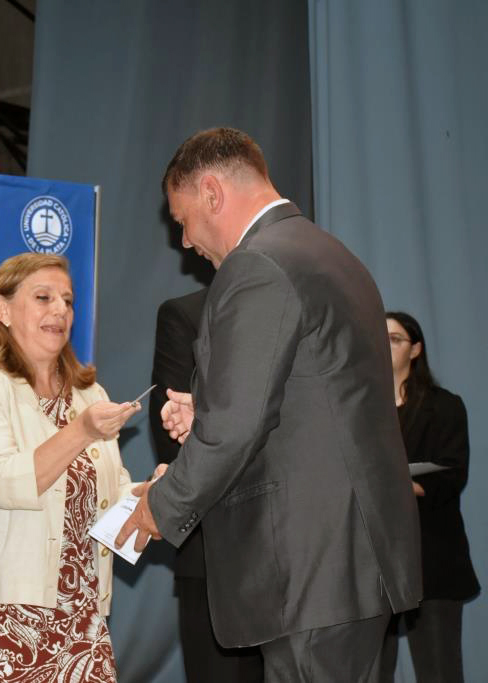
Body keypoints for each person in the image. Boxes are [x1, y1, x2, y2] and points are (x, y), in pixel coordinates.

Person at [117, 127, 422, 682]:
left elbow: (236, 429)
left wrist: (161, 505)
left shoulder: (257, 264)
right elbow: (314, 402)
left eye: (183, 220)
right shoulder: (330, 254)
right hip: (350, 562)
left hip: (312, 569)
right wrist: (207, 412)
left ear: (212, 193)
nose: (184, 241)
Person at [0, 252, 139, 682]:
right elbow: (2, 482)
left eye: (68, 300)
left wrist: (152, 495)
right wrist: (81, 431)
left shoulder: (91, 394)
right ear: (2, 310)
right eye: (44, 297)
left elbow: (110, 496)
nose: (61, 310)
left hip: (82, 617)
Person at [149, 287, 264, 682]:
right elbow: (172, 434)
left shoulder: (305, 303)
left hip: (301, 554)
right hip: (215, 548)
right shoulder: (188, 314)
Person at [380, 311, 479, 683]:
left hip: (432, 557)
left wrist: (398, 485)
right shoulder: (359, 409)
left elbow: (452, 474)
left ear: (416, 349)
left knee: (439, 671)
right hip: (375, 565)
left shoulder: (444, 406)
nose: (383, 346)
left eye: (394, 339)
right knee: (370, 672)